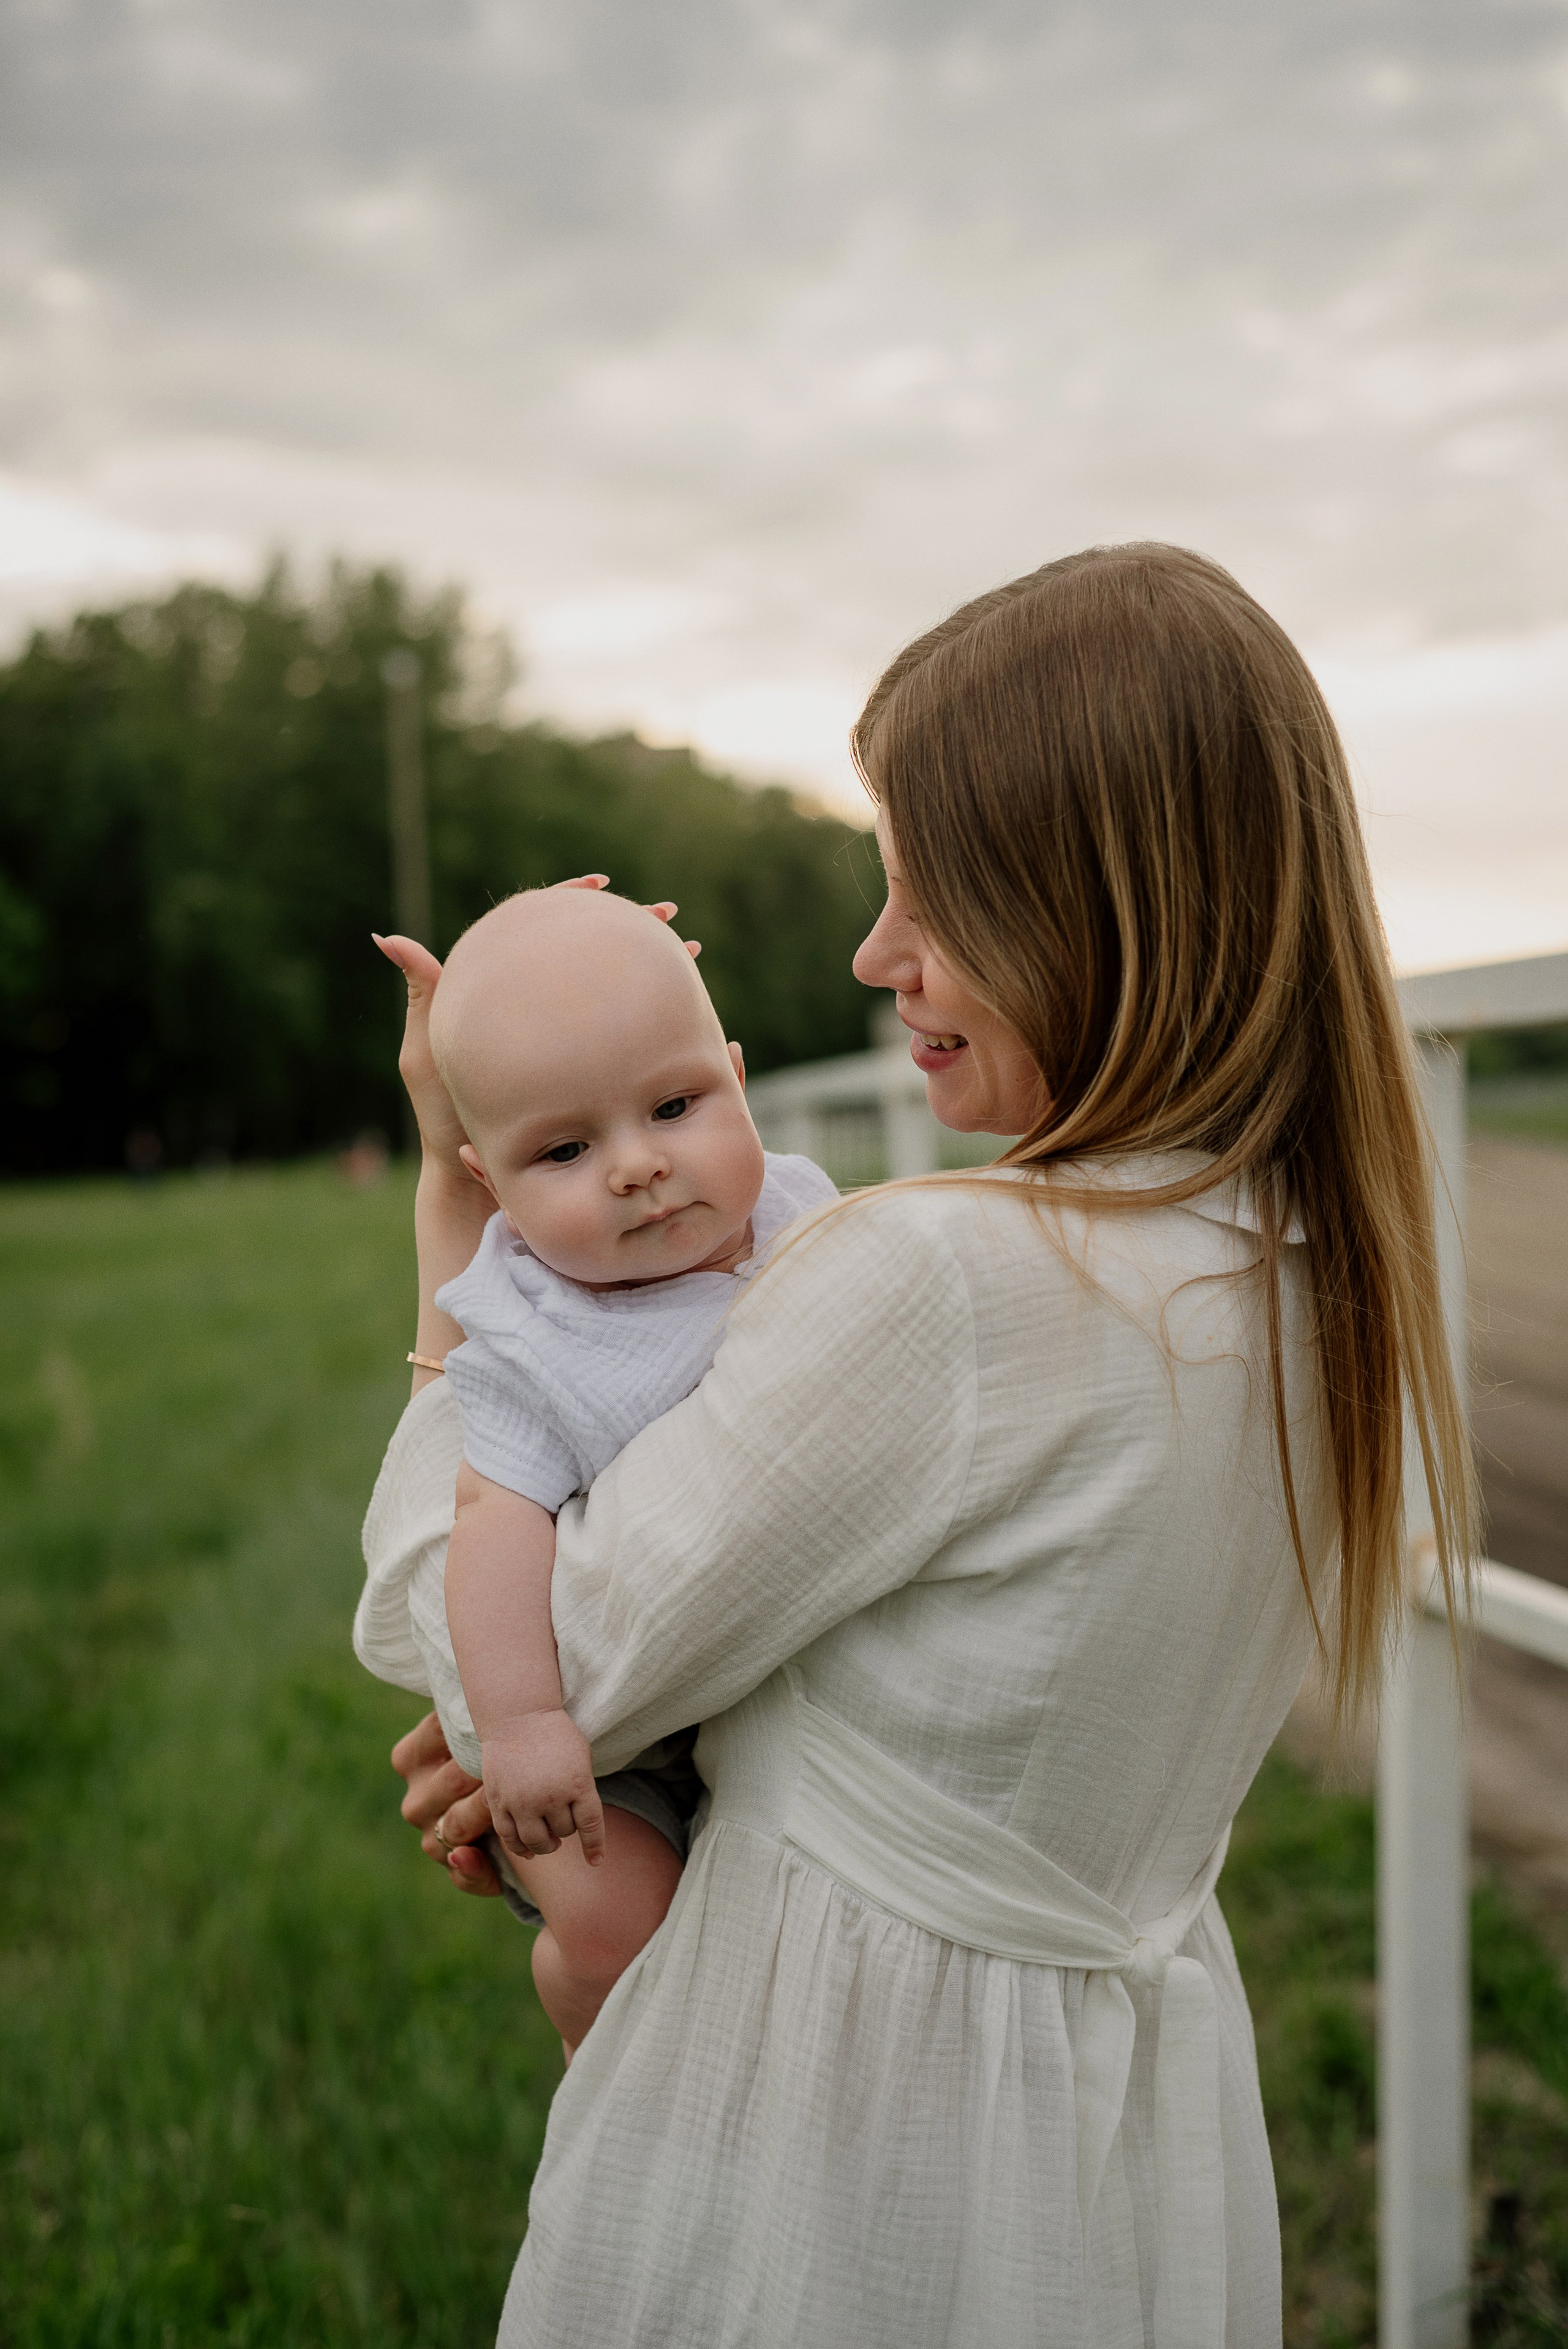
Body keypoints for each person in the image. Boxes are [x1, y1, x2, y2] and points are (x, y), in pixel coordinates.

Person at [375, 543, 1472, 2348]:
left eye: (930, 895)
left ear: (1094, 906)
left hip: (838, 2121)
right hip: (1111, 2116)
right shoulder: (1316, 1265)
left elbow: (500, 1658)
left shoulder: (953, 1277)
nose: (877, 952)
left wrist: (456, 1220)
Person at [355, 887, 836, 2053]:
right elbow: (493, 1519)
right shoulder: (537, 1333)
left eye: (676, 1105)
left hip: (774, 1712)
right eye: (564, 1150)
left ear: (733, 1070)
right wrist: (520, 1726)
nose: (638, 1166)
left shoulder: (808, 1217)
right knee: (620, 1916)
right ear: (494, 1186)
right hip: (606, 1762)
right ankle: (587, 2014)